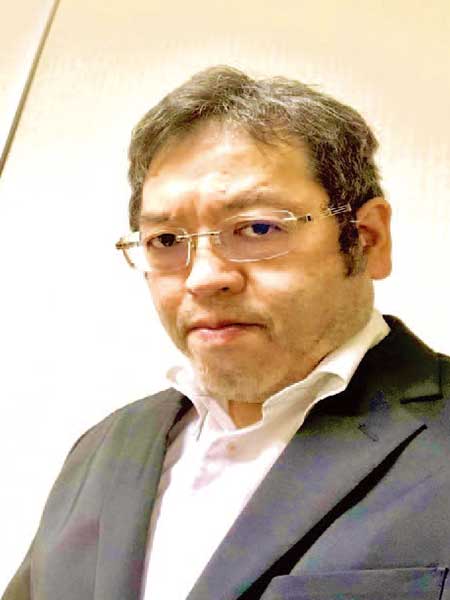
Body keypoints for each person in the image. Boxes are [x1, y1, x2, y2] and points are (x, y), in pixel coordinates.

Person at [3, 66, 450, 600]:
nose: (204, 277)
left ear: (368, 238)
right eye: (167, 240)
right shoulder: (103, 448)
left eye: (258, 228)